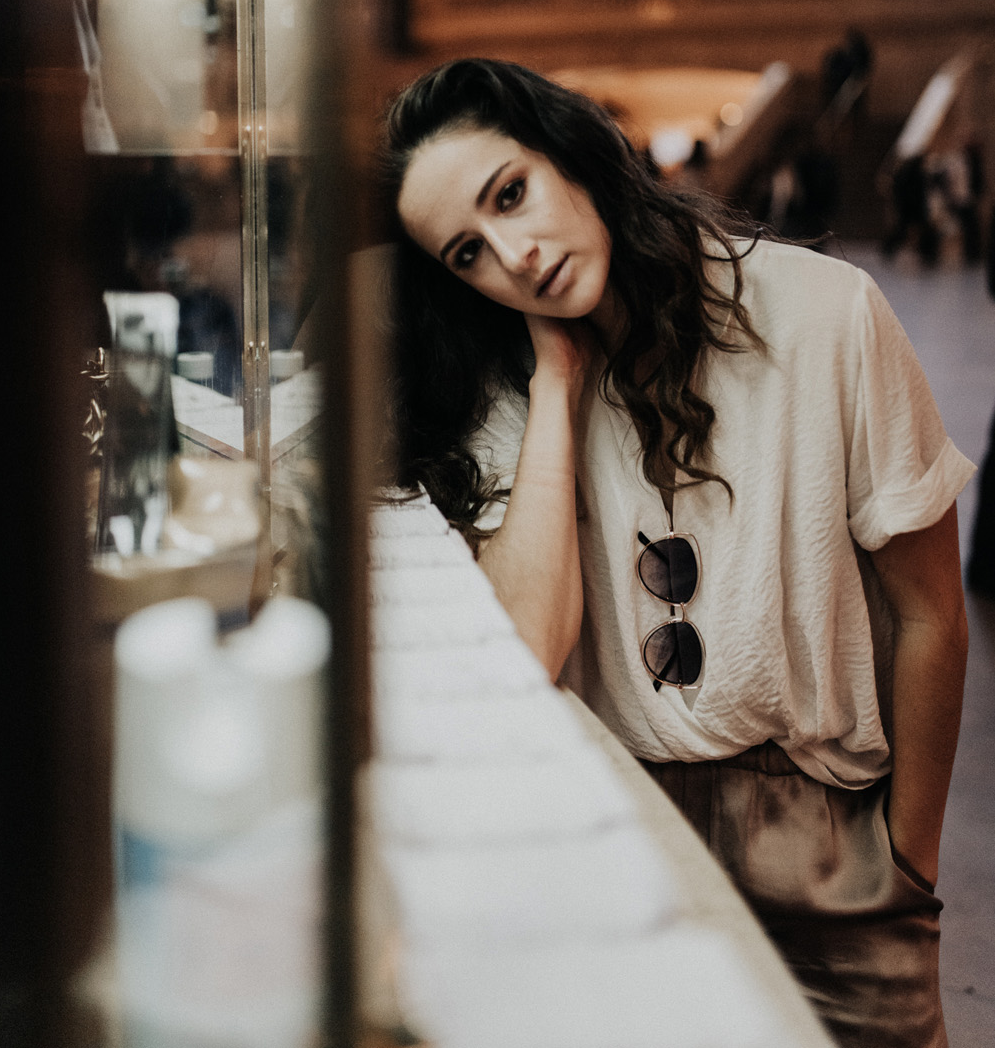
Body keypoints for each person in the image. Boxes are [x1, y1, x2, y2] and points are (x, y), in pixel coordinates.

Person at [381, 58, 973, 1048]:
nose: (514, 256)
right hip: (626, 844)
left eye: (510, 194)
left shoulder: (827, 313)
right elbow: (521, 652)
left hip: (831, 847)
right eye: (467, 254)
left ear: (568, 150)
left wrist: (906, 866)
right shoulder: (509, 395)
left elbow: (929, 612)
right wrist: (557, 387)